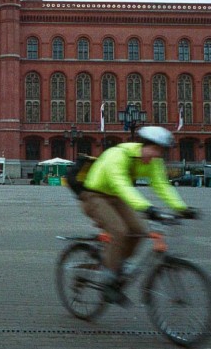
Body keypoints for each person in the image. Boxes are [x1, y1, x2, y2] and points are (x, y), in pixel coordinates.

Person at [77, 125, 194, 303]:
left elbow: (161, 185)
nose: (157, 155)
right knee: (119, 230)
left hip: (117, 197)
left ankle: (119, 264)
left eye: (160, 151)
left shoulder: (153, 162)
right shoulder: (118, 155)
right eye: (155, 149)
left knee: (139, 229)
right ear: (144, 145)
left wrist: (182, 208)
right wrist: (146, 207)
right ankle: (108, 278)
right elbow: (120, 184)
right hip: (94, 195)